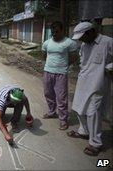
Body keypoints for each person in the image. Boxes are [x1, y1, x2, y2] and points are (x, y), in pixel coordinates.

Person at [67, 21, 112, 156]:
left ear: (91, 32)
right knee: (78, 107)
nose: (81, 39)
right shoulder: (84, 45)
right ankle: (83, 131)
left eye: (82, 36)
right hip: (83, 80)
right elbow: (83, 60)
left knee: (93, 112)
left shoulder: (108, 42)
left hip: (98, 83)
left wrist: (109, 68)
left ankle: (95, 143)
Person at [41, 21, 78, 130]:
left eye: (57, 31)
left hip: (61, 73)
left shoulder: (69, 43)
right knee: (48, 94)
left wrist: (64, 65)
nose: (54, 34)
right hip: (47, 71)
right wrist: (50, 65)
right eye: (53, 32)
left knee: (61, 98)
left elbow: (74, 57)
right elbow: (44, 55)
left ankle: (63, 120)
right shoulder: (47, 43)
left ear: (62, 30)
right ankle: (52, 112)